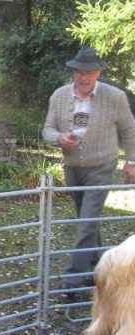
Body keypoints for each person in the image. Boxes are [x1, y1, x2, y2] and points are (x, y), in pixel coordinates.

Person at [43, 46, 135, 299]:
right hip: (73, 166)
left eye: (90, 72)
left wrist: (132, 161)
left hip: (102, 165)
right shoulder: (59, 96)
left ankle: (72, 279)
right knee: (88, 222)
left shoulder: (114, 96)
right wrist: (59, 138)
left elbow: (129, 128)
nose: (84, 78)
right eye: (80, 72)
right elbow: (48, 129)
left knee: (85, 223)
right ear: (73, 72)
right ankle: (99, 267)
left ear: (98, 72)